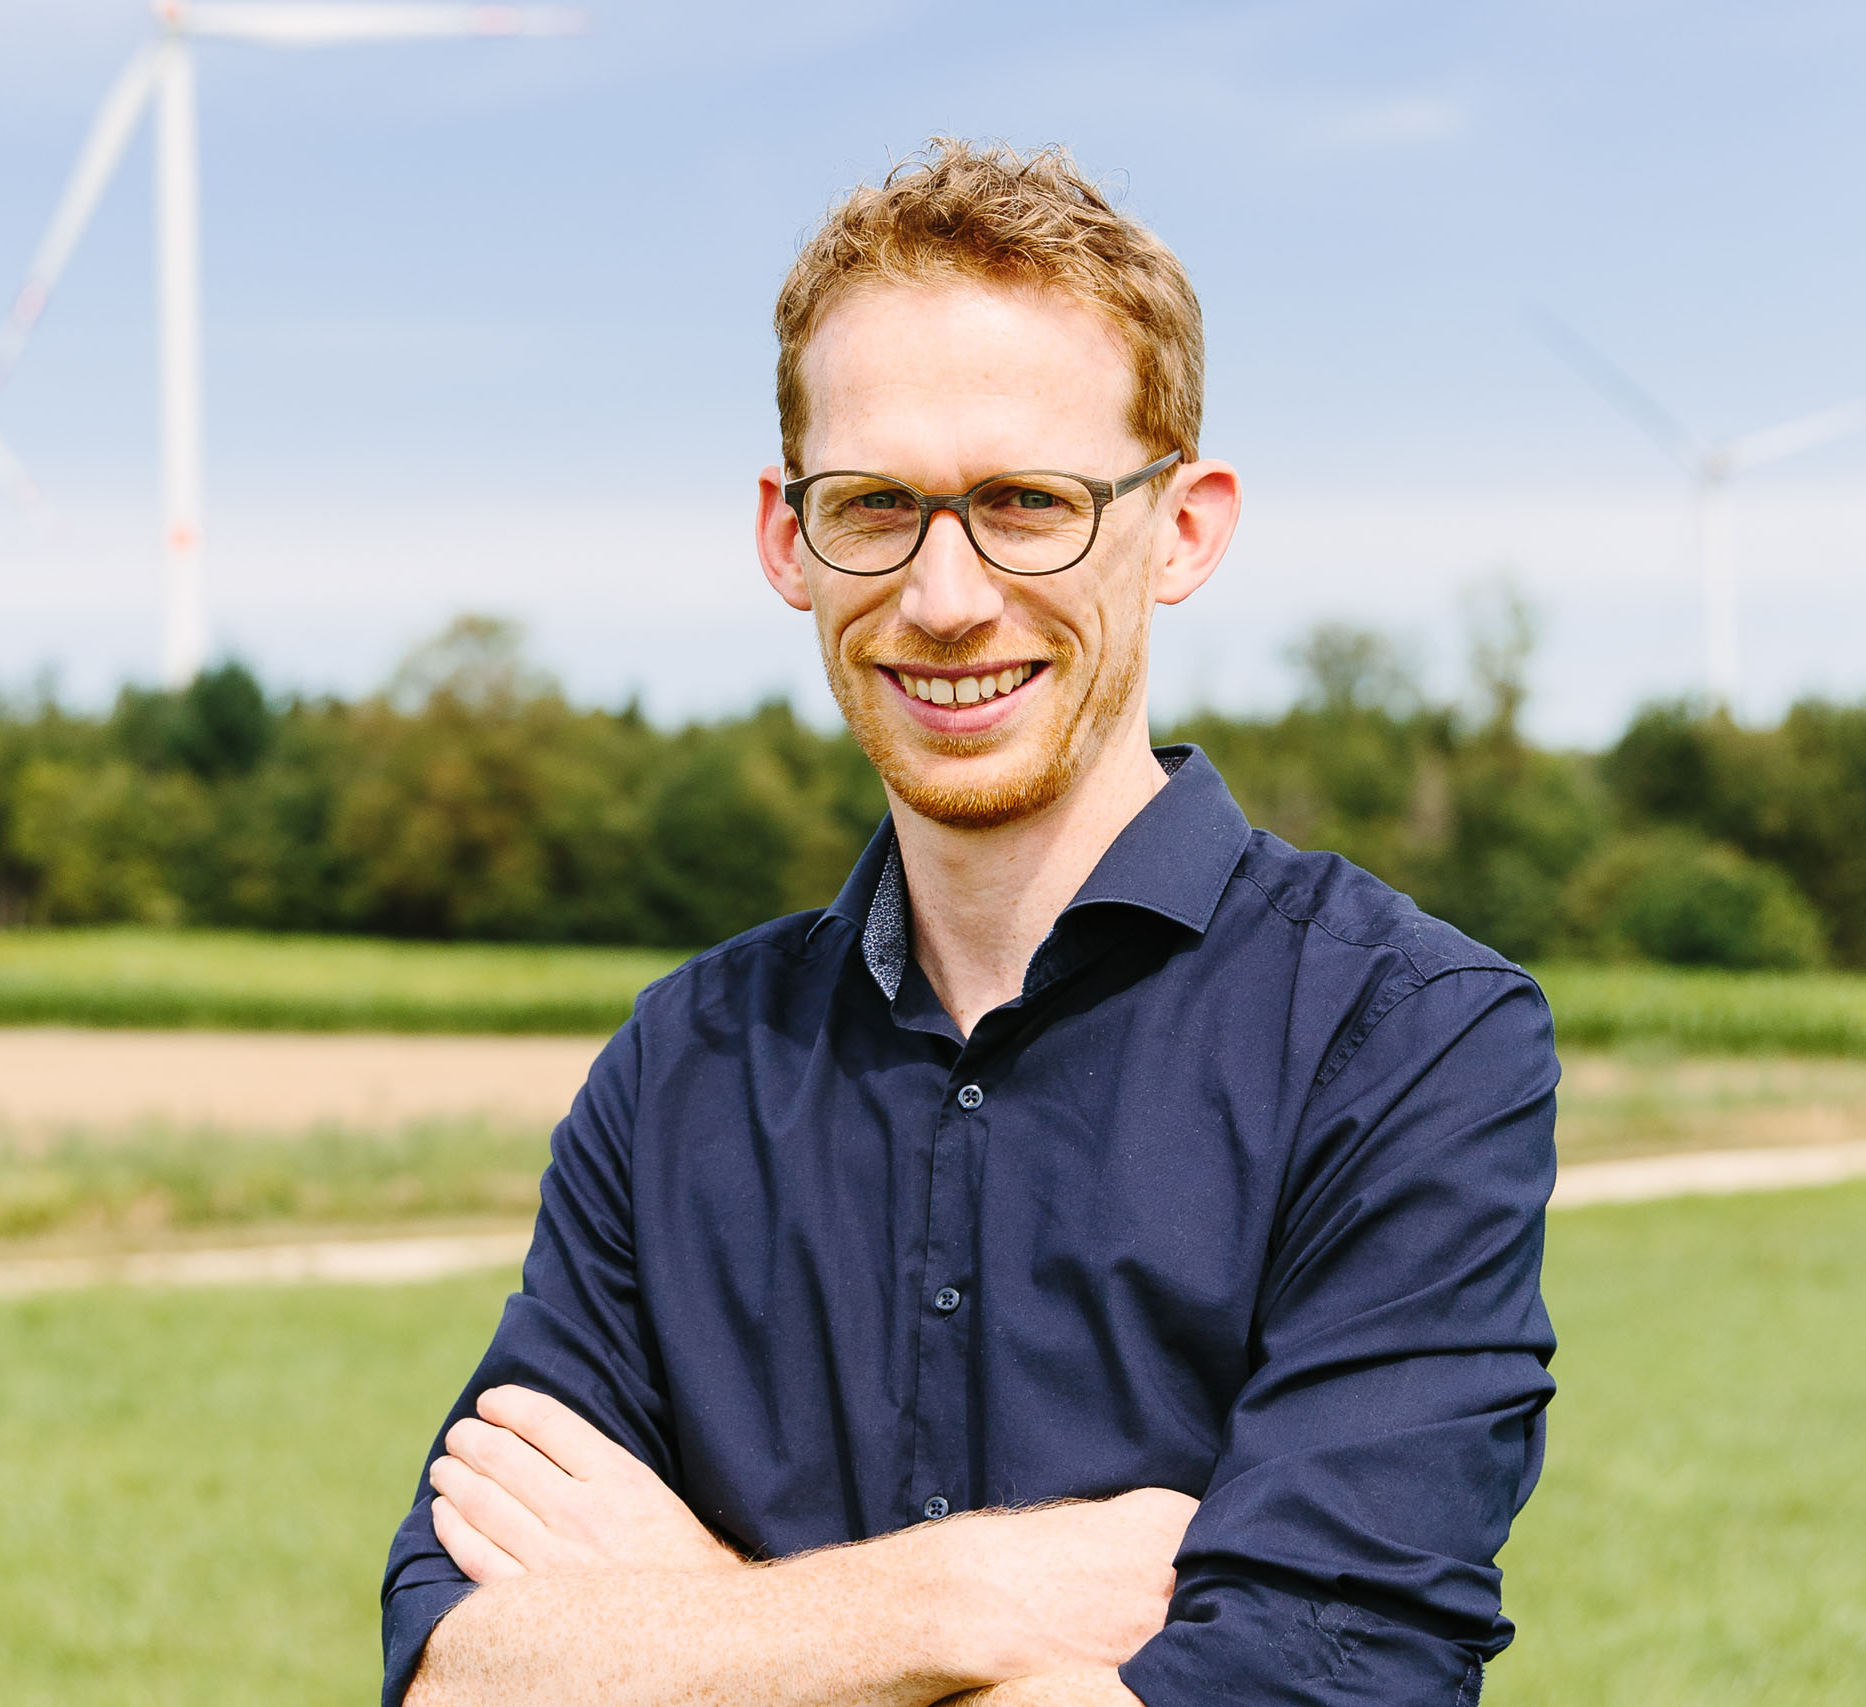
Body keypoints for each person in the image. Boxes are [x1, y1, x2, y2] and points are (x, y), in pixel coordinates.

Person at [380, 140, 1558, 1707]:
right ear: (787, 538)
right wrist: (966, 1607)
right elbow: (463, 1671)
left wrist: (697, 1629)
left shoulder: (1410, 1040)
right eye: (874, 505)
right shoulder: (682, 1066)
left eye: (1027, 503)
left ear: (1186, 527)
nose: (945, 595)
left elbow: (1331, 1675)